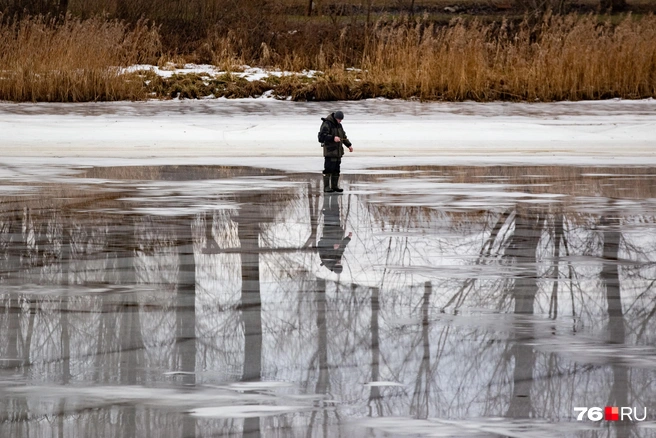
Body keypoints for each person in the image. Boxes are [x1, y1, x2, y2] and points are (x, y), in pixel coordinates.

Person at [318, 110, 353, 193]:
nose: (340, 121)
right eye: (339, 119)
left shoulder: (339, 125)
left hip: (338, 152)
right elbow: (321, 137)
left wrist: (349, 145)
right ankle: (326, 187)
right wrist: (333, 138)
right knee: (328, 169)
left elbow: (343, 137)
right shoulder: (327, 123)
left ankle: (334, 186)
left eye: (341, 120)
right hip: (330, 152)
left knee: (336, 169)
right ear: (335, 118)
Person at [318, 194, 352, 273]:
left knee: (328, 211)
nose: (339, 262)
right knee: (336, 210)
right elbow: (342, 247)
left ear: (334, 266)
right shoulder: (337, 258)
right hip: (336, 230)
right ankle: (334, 195)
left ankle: (327, 193)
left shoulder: (325, 259)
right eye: (340, 264)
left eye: (338, 264)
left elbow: (320, 244)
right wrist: (348, 238)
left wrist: (332, 246)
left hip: (329, 230)